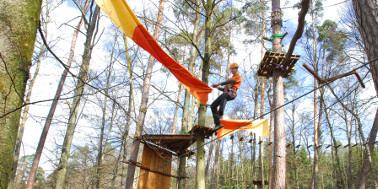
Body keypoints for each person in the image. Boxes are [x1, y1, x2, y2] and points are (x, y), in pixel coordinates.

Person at [211, 63, 242, 130]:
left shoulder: (238, 77)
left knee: (225, 95)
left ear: (236, 69)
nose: (232, 70)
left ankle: (220, 113)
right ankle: (218, 123)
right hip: (227, 93)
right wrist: (218, 88)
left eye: (233, 68)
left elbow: (231, 81)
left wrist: (219, 84)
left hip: (232, 93)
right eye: (231, 69)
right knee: (213, 105)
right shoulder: (230, 78)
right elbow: (225, 89)